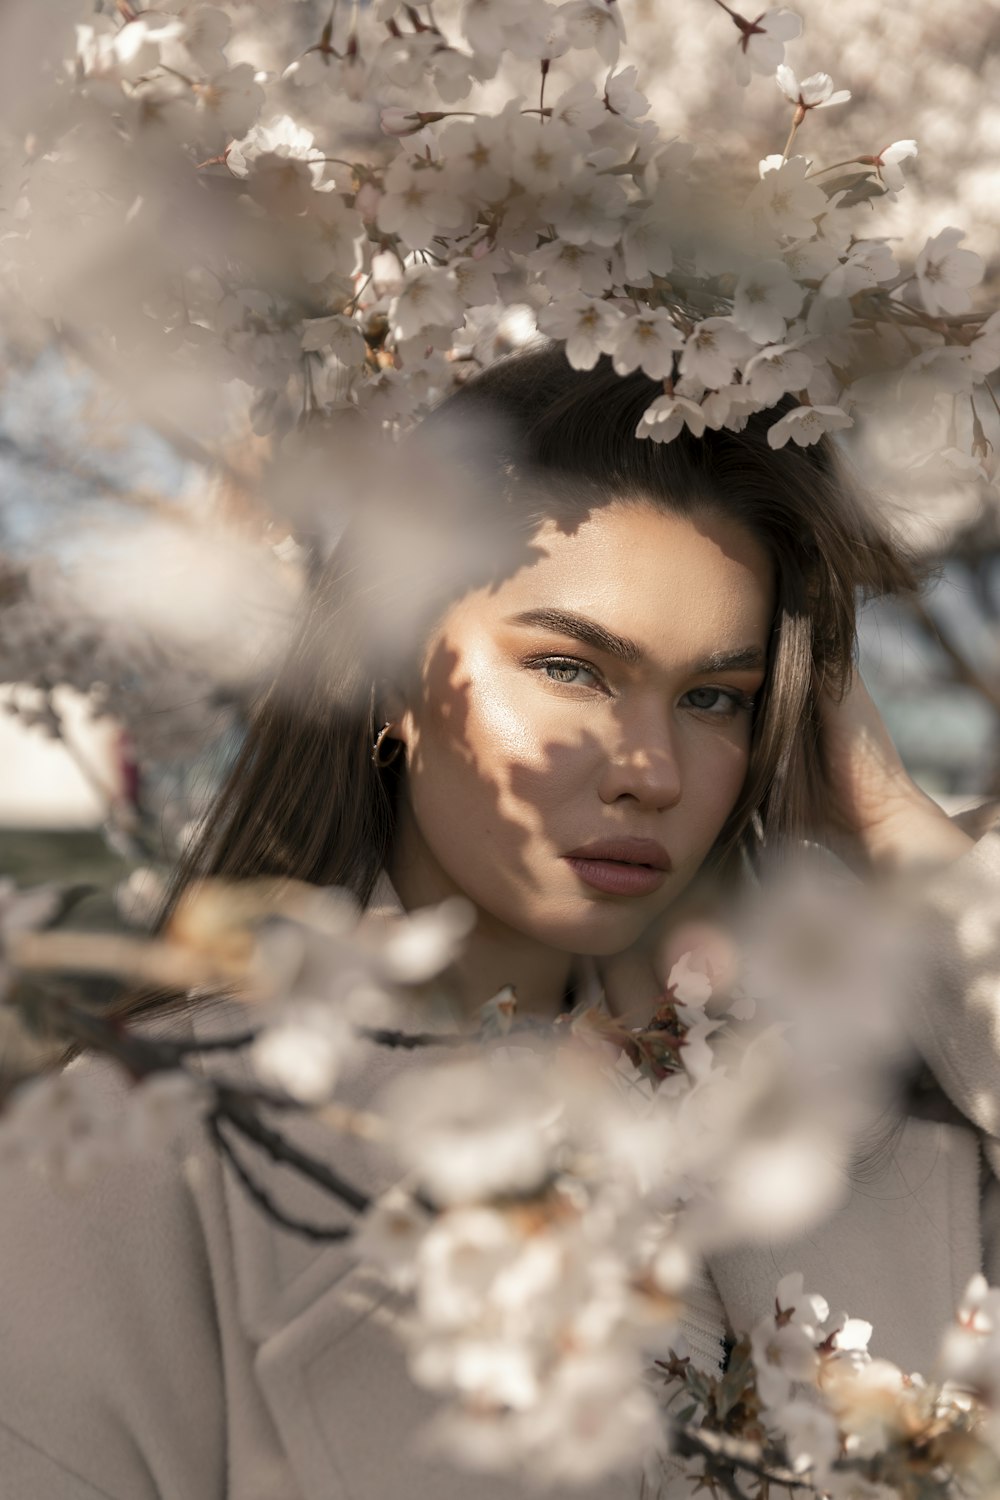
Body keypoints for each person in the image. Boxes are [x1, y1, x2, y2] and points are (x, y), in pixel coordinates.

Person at [1, 344, 998, 1500]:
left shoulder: (872, 1114)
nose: (648, 771)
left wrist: (892, 825)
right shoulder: (150, 1143)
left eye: (712, 698)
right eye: (571, 668)